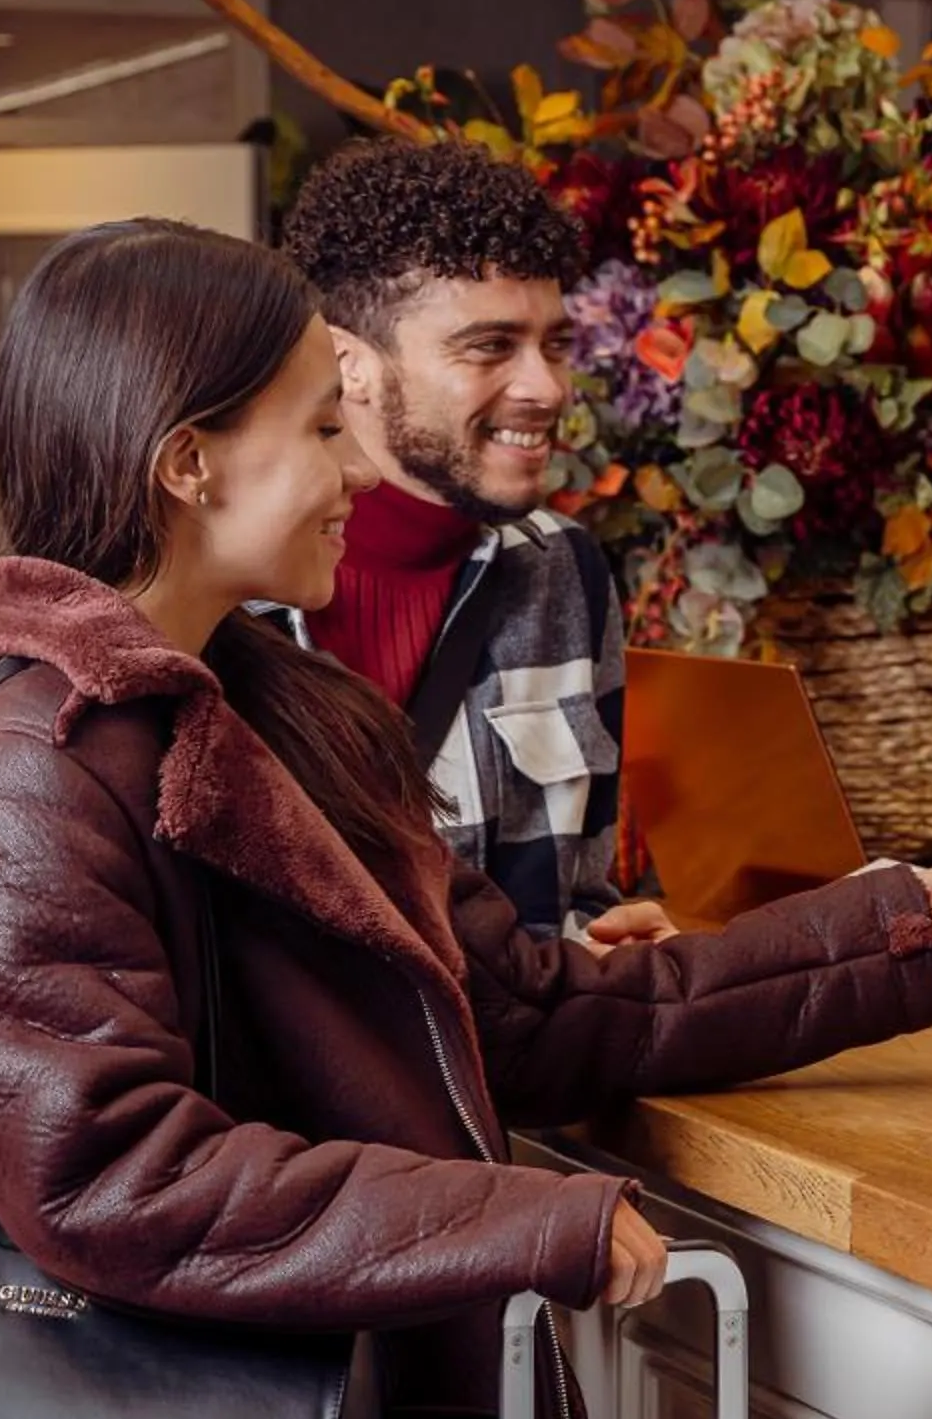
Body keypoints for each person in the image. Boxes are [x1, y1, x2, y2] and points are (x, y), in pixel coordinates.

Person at [0, 220, 932, 1419]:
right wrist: (531, 1222)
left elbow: (532, 1015)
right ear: (187, 463)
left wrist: (887, 935)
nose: (356, 473)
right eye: (319, 428)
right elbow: (109, 1174)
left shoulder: (294, 722)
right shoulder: (45, 766)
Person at [278, 137, 676, 953]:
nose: (548, 388)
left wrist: (608, 958)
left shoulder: (566, 572)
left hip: (510, 1075)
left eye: (555, 344)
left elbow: (575, 905)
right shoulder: (231, 588)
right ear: (349, 364)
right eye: (490, 346)